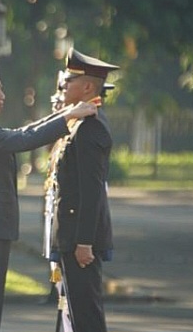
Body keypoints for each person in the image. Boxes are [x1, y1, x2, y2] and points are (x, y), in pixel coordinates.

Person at [0, 62, 98, 332]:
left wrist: (66, 113)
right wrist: (68, 117)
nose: (2, 95)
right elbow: (22, 139)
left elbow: (22, 133)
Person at [47, 48, 119, 332]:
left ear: (88, 87)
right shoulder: (78, 124)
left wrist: (85, 241)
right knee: (71, 314)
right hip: (72, 236)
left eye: (69, 81)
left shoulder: (90, 128)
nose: (63, 85)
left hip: (80, 241)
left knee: (86, 317)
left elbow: (92, 191)